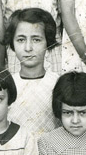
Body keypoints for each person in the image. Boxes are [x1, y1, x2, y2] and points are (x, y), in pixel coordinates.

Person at [5, 8, 60, 136]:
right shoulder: (7, 84)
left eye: (36, 40)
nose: (28, 48)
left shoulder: (57, 83)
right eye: (21, 40)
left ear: (48, 42)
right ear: (12, 43)